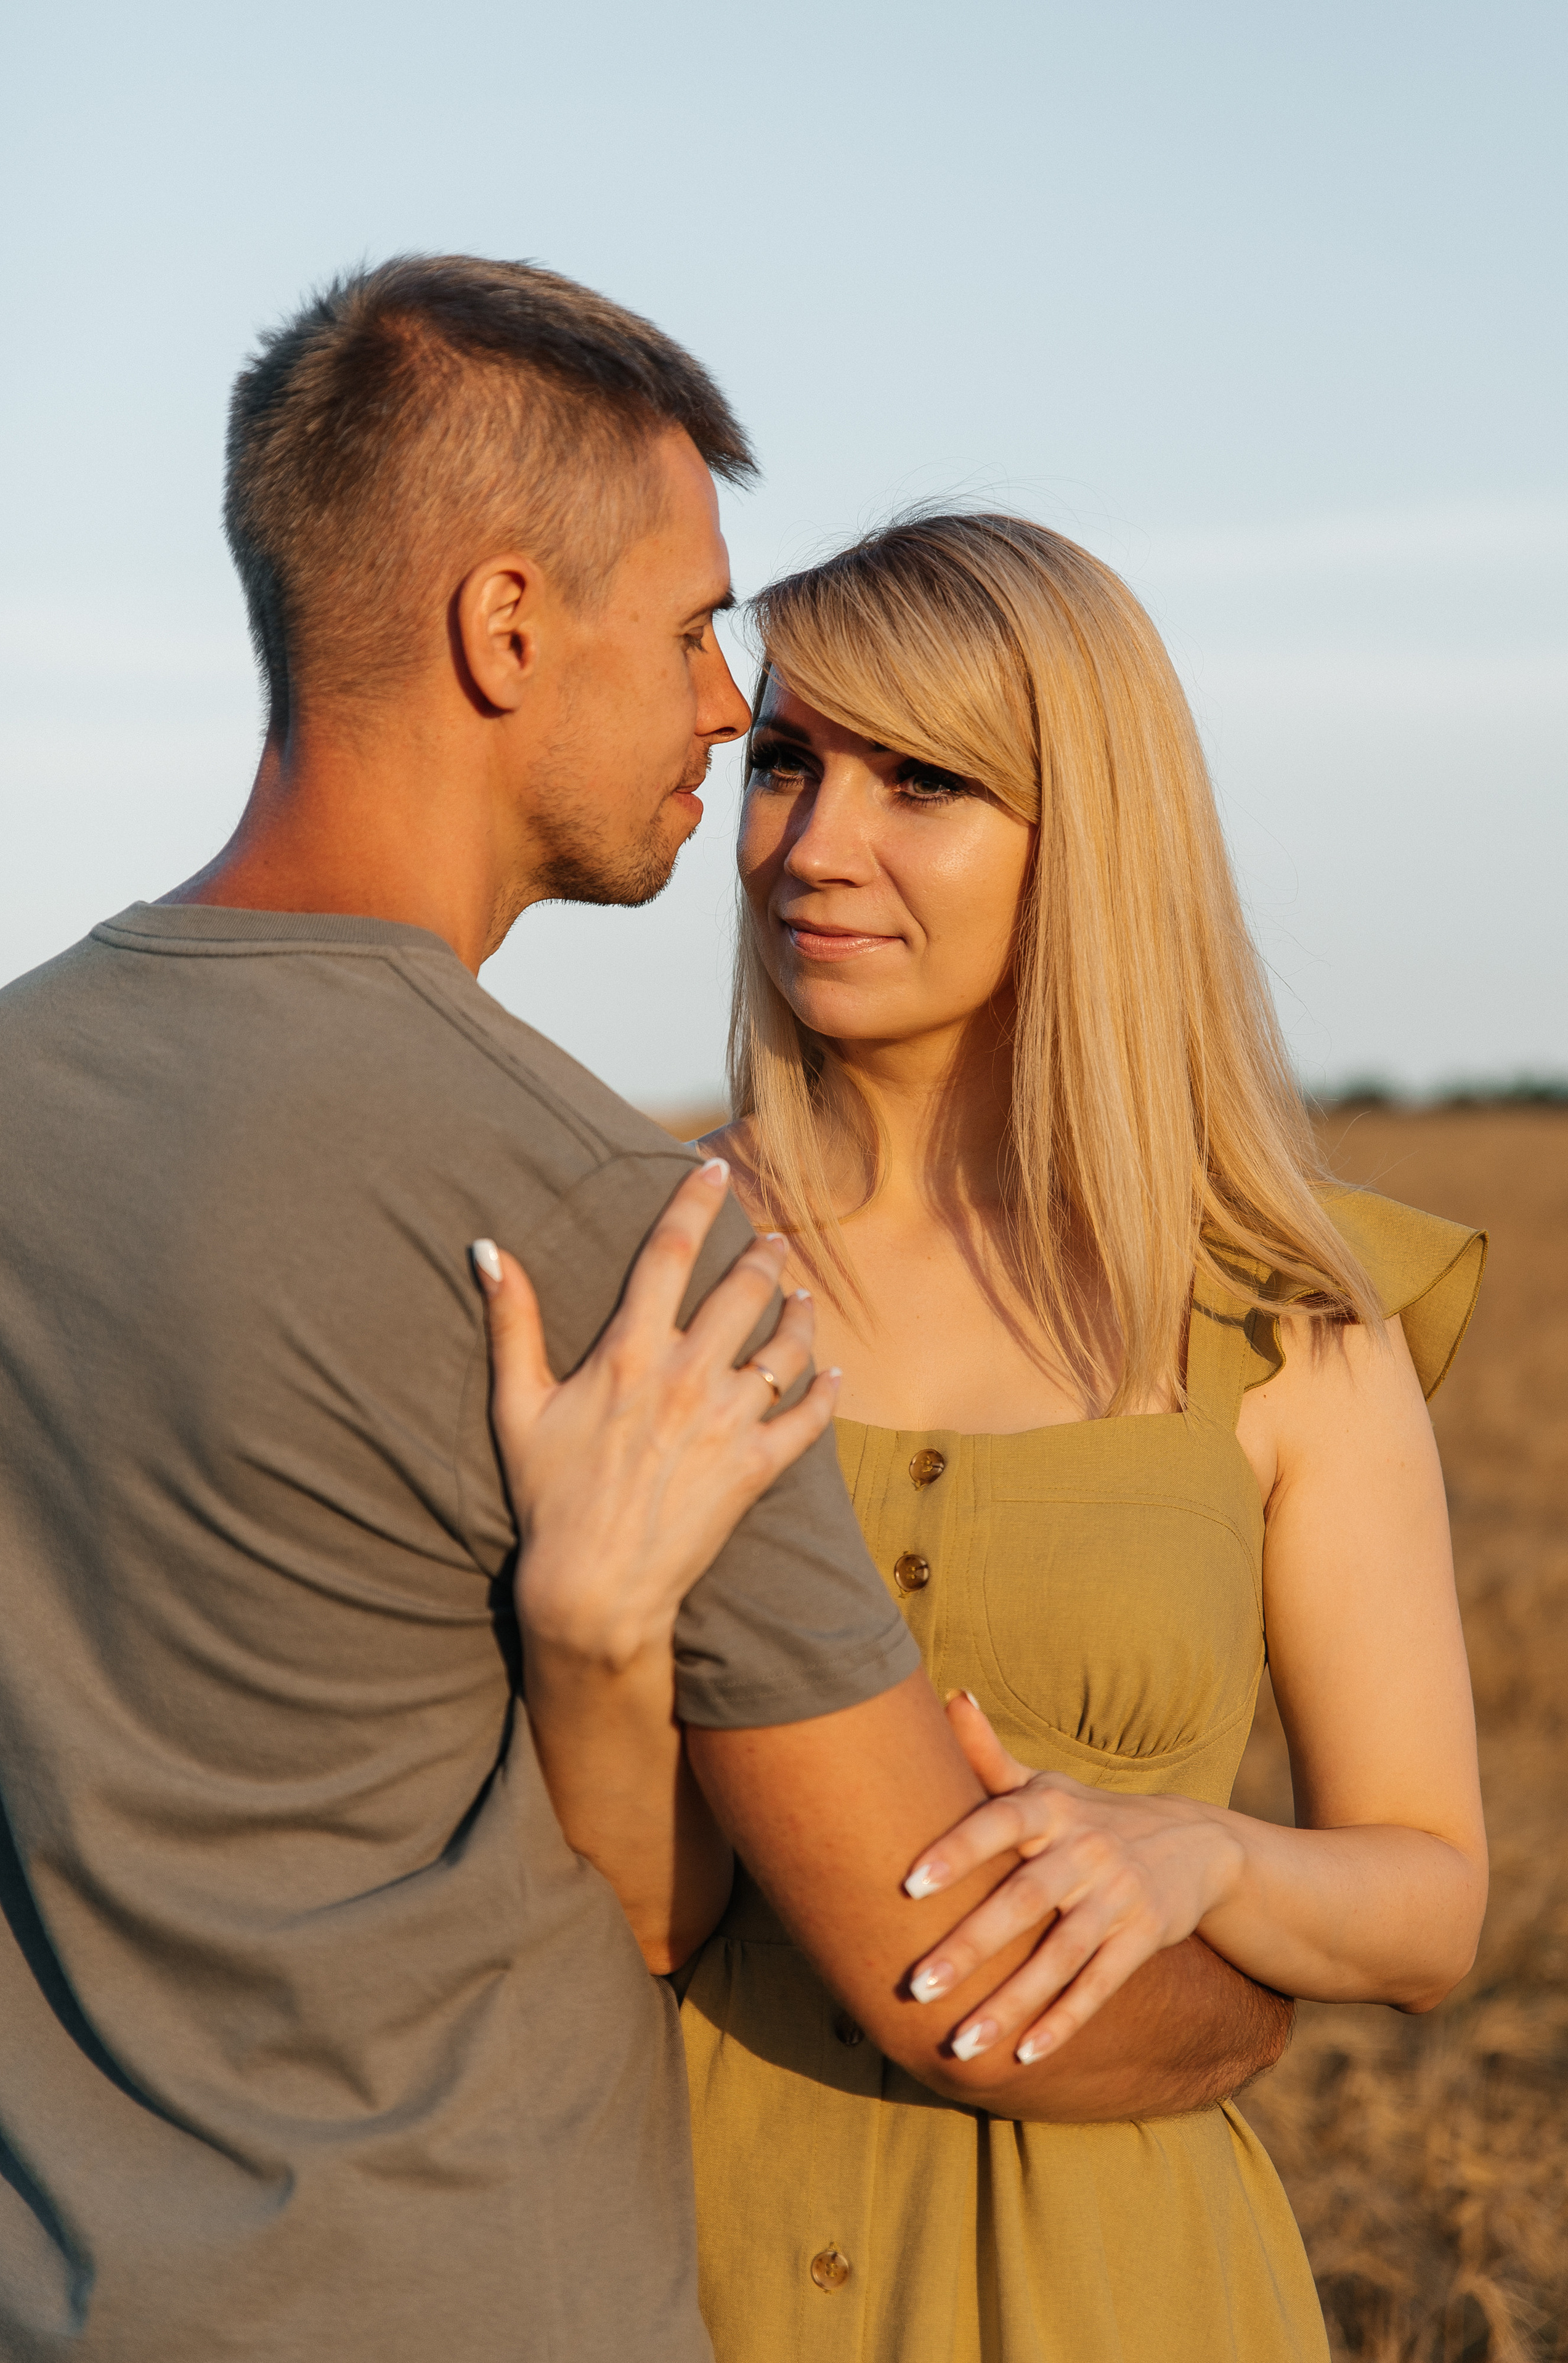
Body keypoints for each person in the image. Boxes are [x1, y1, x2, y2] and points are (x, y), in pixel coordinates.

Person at [0, 264, 1287, 2363]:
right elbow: (952, 1971)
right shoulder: (616, 1227)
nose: (719, 704)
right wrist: (1260, 1984)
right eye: (691, 629)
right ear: (506, 628)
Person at [477, 512, 1489, 2361]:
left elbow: (1428, 1901)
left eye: (923, 778)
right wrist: (589, 1633)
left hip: (1125, 2295)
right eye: (785, 758)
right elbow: (628, 1909)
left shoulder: (1283, 1318)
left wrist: (1206, 1855)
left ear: (1086, 835)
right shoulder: (640, 1262)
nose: (814, 841)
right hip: (670, 2273)